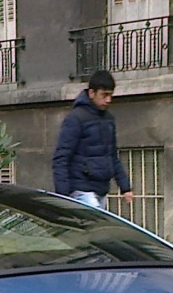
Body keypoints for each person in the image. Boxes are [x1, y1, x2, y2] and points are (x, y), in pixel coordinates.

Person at [51, 69, 134, 210]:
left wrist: (125, 187)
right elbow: (61, 158)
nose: (108, 100)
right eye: (104, 95)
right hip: (81, 189)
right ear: (91, 93)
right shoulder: (75, 119)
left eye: (111, 95)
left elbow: (112, 156)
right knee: (96, 227)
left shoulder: (109, 120)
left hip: (101, 189)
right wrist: (63, 196)